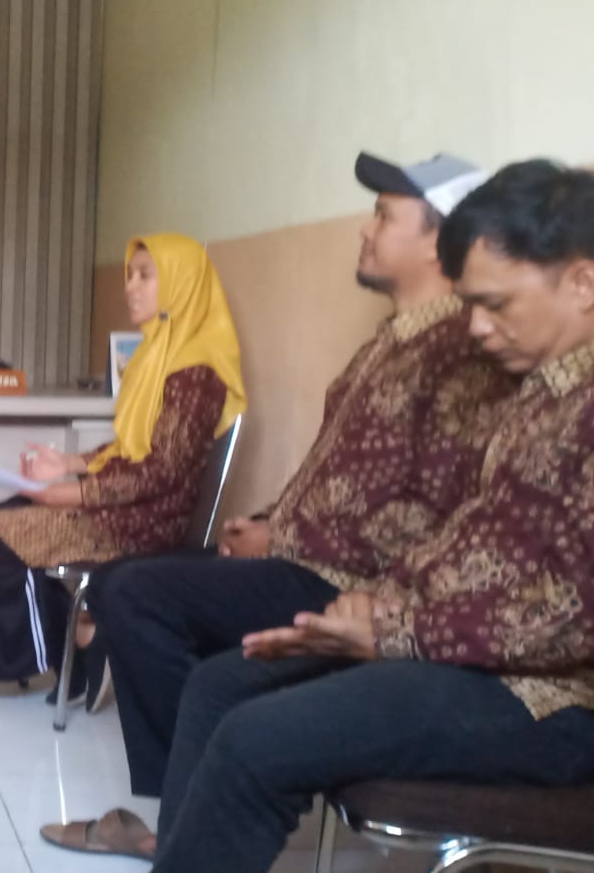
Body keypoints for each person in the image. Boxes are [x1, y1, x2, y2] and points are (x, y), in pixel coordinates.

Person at [40, 153, 518, 861]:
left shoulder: (462, 353)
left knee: (135, 593)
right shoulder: (391, 340)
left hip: (347, 582)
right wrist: (270, 520)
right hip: (303, 555)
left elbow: (439, 507)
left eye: (384, 216)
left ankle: (195, 817)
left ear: (436, 240)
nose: (366, 229)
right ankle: (192, 817)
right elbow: (336, 473)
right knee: (132, 593)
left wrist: (288, 540)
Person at [148, 160, 594, 873]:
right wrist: (378, 604)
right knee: (223, 683)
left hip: (555, 699)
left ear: (583, 282)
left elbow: (574, 614)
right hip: (475, 653)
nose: (477, 327)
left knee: (256, 741)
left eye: (496, 304)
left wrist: (395, 633)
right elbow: (472, 537)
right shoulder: (544, 391)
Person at [0, 233, 246, 689]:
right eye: (129, 275)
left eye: (145, 276)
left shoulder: (195, 371)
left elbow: (164, 470)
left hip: (144, 520)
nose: (130, 286)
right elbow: (130, 448)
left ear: (180, 283)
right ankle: (80, 640)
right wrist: (69, 464)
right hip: (121, 503)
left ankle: (73, 654)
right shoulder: (154, 354)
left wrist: (73, 493)